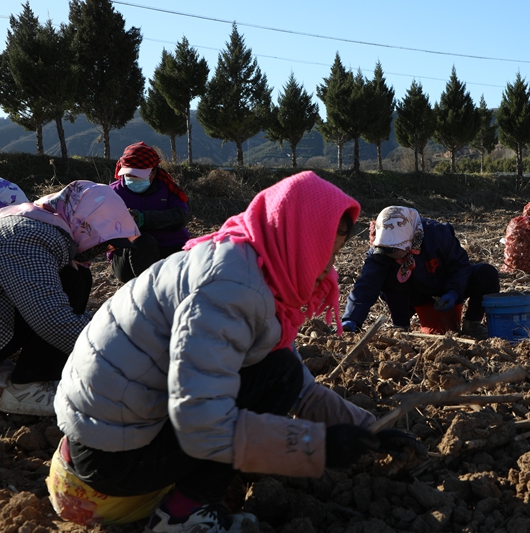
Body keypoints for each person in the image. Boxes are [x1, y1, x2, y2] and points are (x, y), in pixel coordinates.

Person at [50, 172, 424, 532]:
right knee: (277, 375)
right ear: (298, 238)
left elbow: (298, 387)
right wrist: (317, 447)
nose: (328, 268)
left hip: (110, 432)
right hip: (112, 458)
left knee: (279, 370)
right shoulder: (232, 290)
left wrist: (369, 430)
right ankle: (182, 518)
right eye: (323, 251)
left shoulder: (250, 262)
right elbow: (203, 424)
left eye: (334, 254)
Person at [0, 180, 139, 416]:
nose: (102, 251)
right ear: (86, 224)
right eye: (105, 243)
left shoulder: (33, 222)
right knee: (72, 279)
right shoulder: (28, 236)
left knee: (75, 274)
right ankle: (27, 388)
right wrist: (118, 355)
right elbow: (52, 319)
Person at [341, 205, 500, 337]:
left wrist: (453, 291)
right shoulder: (381, 251)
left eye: (395, 250)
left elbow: (459, 266)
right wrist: (351, 319)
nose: (391, 254)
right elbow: (366, 285)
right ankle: (401, 326)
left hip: (443, 286)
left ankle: (472, 325)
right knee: (388, 277)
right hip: (411, 294)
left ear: (409, 241)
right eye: (387, 250)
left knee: (486, 273)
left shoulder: (438, 235)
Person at [109, 142, 191, 283]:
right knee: (142, 241)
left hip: (169, 248)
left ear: (153, 173)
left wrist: (143, 219)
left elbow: (180, 216)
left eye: (138, 175)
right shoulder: (112, 193)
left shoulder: (168, 189)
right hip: (128, 256)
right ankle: (146, 287)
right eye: (129, 174)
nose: (133, 178)